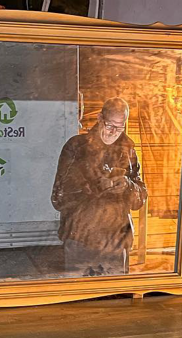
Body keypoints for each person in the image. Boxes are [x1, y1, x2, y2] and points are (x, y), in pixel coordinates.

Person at [50, 97, 147, 275]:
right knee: (78, 296)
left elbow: (140, 198)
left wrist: (128, 186)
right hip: (81, 237)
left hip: (117, 241)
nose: (114, 132)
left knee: (115, 298)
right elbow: (58, 197)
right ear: (100, 118)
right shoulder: (77, 147)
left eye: (120, 127)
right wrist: (93, 186)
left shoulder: (128, 150)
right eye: (110, 125)